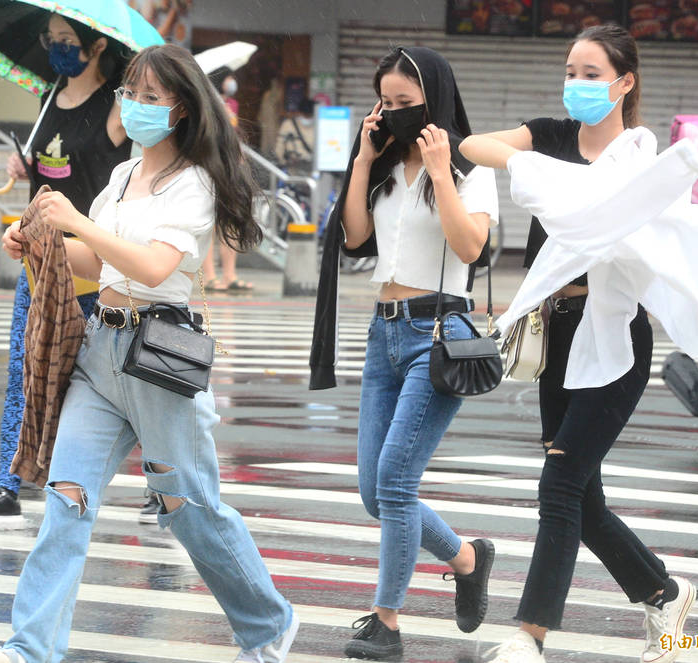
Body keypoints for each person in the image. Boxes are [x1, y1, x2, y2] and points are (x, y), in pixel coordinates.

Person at [0, 44, 299, 663]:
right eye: (131, 94)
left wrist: (77, 223)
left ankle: (269, 624)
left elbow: (151, 265)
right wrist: (37, 240)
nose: (136, 106)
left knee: (190, 510)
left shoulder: (194, 186)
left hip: (160, 358)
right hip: (100, 352)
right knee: (67, 501)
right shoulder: (122, 175)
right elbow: (96, 262)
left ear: (181, 109)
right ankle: (29, 649)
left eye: (152, 97)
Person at [459, 25, 698, 663]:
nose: (575, 84)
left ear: (624, 82)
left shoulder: (641, 160)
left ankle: (530, 636)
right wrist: (535, 166)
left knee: (559, 484)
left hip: (613, 340)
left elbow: (649, 232)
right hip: (558, 335)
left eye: (590, 73)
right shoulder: (549, 137)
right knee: (584, 496)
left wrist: (562, 188)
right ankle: (664, 593)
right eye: (570, 71)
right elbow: (472, 143)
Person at [310, 46, 499, 661]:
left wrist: (443, 171)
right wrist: (364, 159)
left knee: (394, 481)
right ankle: (468, 559)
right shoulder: (387, 164)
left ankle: (386, 620)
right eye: (384, 103)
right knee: (375, 491)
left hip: (439, 336)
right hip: (382, 334)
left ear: (434, 99)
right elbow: (357, 237)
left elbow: (470, 249)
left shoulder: (471, 165)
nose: (392, 114)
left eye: (405, 104)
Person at [0, 12, 131, 532]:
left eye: (66, 41)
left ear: (97, 46)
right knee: (23, 374)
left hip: (92, 266)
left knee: (107, 382)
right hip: (40, 259)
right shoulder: (48, 98)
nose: (55, 49)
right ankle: (6, 488)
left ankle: (164, 483)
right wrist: (24, 167)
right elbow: (53, 163)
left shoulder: (116, 108)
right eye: (49, 39)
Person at [202, 65, 253, 292]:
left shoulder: (232, 105)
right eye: (229, 77)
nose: (232, 81)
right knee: (209, 225)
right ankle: (210, 276)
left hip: (232, 168)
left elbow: (234, 134)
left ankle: (230, 274)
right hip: (211, 166)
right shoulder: (206, 103)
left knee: (232, 223)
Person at [275, 97, 315, 174]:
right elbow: (279, 147)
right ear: (299, 113)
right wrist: (283, 163)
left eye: (309, 116)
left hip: (311, 171)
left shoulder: (317, 127)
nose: (307, 118)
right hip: (292, 170)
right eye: (305, 115)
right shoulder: (288, 125)